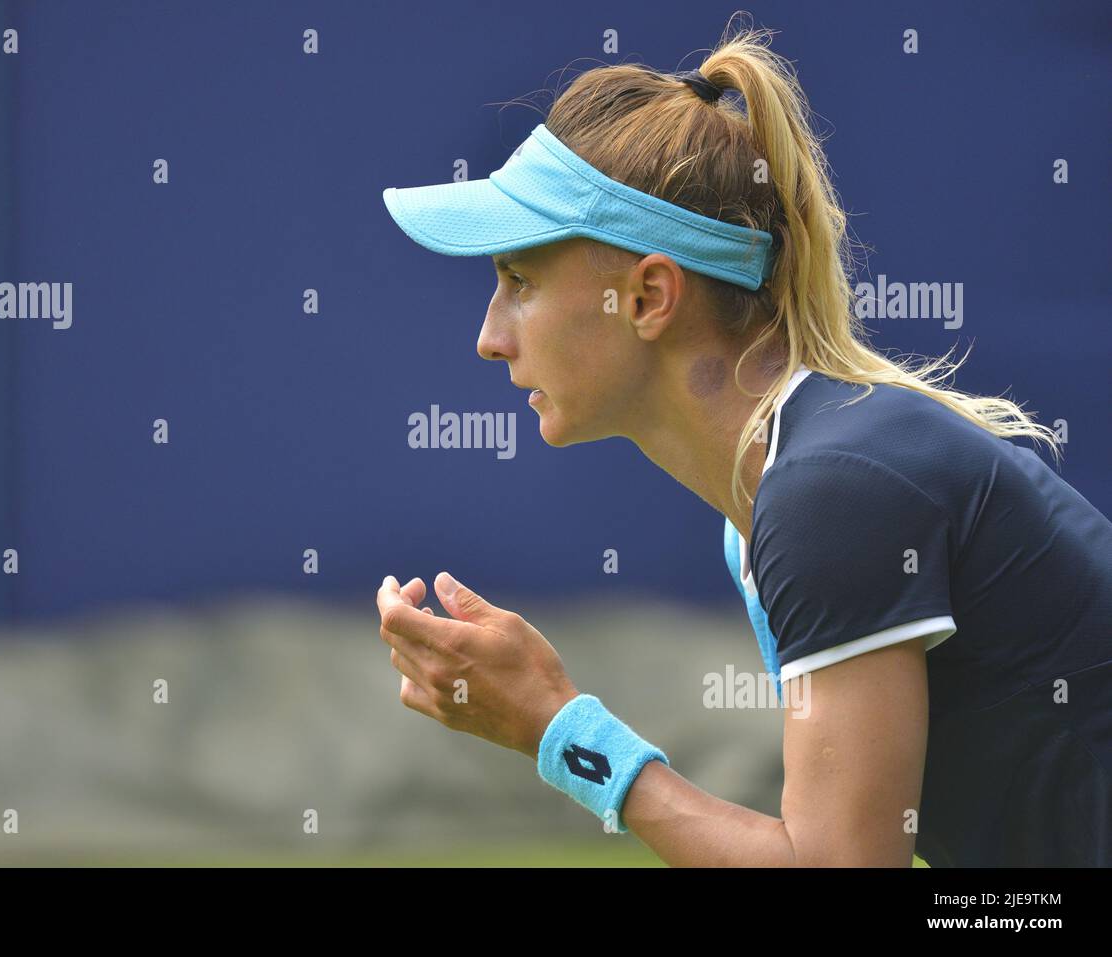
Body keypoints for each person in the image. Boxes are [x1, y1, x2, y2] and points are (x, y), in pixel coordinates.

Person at [375, 25, 1112, 866]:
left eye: (519, 282)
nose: (489, 337)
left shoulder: (831, 494)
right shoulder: (780, 506)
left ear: (650, 296)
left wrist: (557, 724)